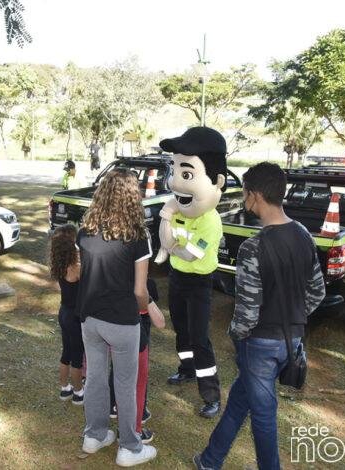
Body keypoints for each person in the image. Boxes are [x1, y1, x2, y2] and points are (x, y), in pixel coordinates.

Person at [194, 162, 325, 470]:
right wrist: (291, 318)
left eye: (244, 193)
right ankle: (210, 460)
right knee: (240, 402)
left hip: (260, 346)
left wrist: (237, 336)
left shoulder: (253, 247)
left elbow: (247, 312)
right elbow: (317, 292)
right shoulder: (304, 235)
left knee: (263, 417)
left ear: (254, 195)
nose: (244, 199)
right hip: (292, 341)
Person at [76, 168, 157, 467]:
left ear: (102, 192)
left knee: (96, 378)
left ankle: (94, 435)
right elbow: (140, 291)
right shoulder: (138, 235)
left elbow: (81, 273)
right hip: (122, 320)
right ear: (133, 195)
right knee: (125, 383)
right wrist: (148, 308)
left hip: (90, 318)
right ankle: (129, 448)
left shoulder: (84, 231)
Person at [155, 127, 228, 419]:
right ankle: (186, 368)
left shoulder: (210, 220)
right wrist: (166, 216)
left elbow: (188, 253)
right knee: (181, 330)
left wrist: (170, 246)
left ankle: (211, 394)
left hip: (199, 283)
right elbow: (165, 241)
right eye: (175, 172)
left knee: (199, 338)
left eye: (186, 174)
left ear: (217, 181)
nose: (175, 182)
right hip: (177, 279)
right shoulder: (178, 210)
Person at [109, 278, 165, 444]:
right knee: (137, 388)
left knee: (122, 382)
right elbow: (160, 322)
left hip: (116, 335)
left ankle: (119, 417)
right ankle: (134, 432)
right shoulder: (144, 286)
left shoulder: (112, 280)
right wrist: (147, 297)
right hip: (136, 339)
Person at [49, 224, 85, 405]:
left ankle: (65, 388)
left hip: (63, 312)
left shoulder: (59, 263)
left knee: (66, 352)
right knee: (77, 356)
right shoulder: (76, 267)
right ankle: (79, 392)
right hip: (75, 317)